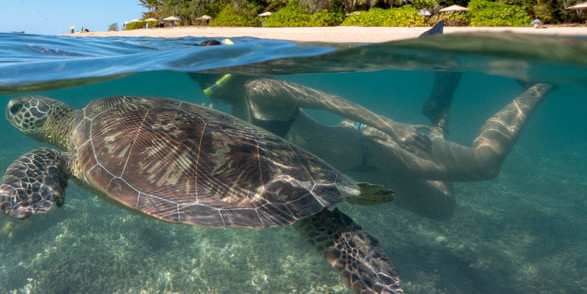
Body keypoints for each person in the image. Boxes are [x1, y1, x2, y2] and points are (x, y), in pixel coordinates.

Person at [190, 39, 552, 220]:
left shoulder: (261, 88)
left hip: (374, 148)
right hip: (362, 170)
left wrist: (392, 128)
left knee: (484, 165)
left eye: (207, 75)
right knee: (442, 211)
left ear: (230, 67)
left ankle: (538, 86)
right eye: (199, 78)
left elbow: (331, 101)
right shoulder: (235, 104)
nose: (207, 86)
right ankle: (438, 115)